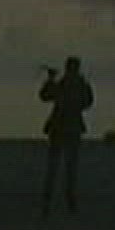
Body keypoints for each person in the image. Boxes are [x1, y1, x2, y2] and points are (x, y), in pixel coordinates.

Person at [39, 56, 94, 215]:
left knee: (59, 167)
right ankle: (61, 200)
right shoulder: (75, 85)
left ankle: (55, 200)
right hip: (67, 128)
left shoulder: (70, 85)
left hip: (64, 127)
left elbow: (46, 96)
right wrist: (51, 81)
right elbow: (45, 96)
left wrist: (51, 81)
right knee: (64, 167)